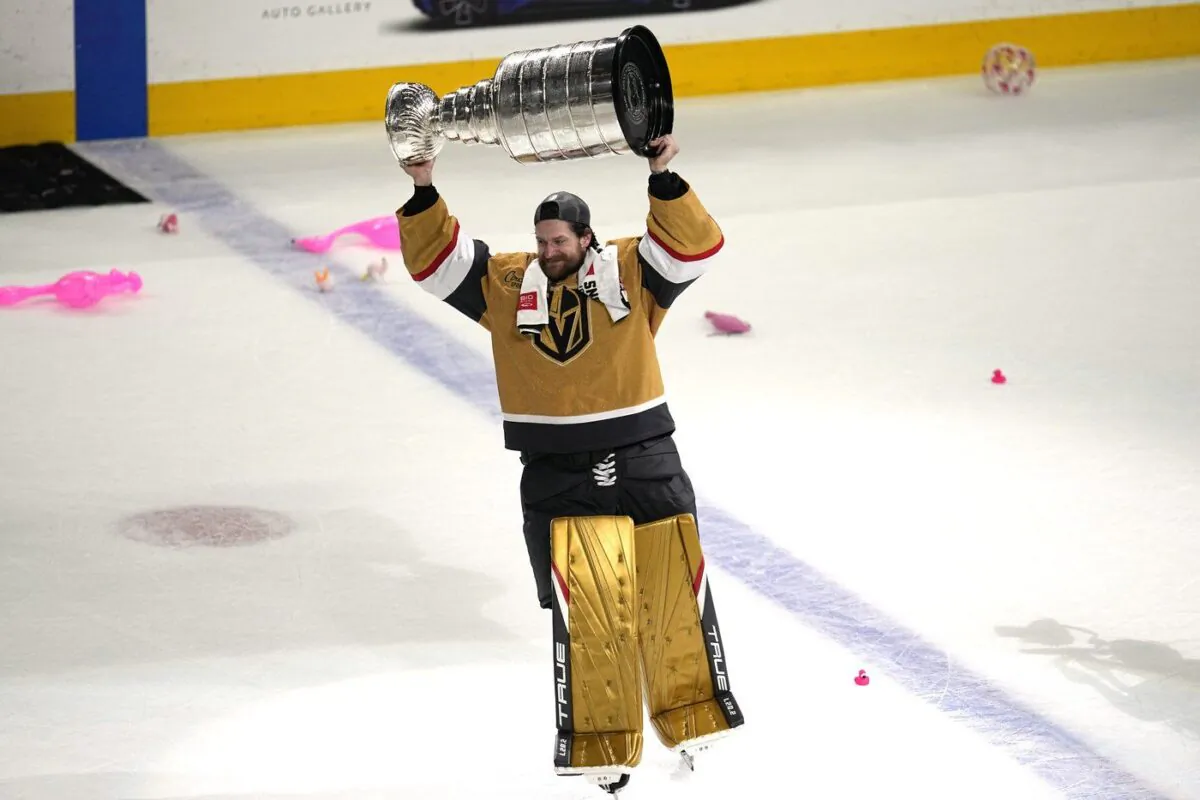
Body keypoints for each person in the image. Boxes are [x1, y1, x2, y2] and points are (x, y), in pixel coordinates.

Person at [395, 135, 743, 795]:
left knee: (672, 594)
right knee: (588, 610)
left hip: (644, 454)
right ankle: (603, 745)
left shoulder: (633, 270)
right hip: (557, 467)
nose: (550, 251)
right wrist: (424, 185)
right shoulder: (505, 284)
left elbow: (696, 246)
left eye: (561, 240)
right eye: (542, 240)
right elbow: (436, 265)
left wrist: (662, 173)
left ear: (586, 238)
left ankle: (692, 717)